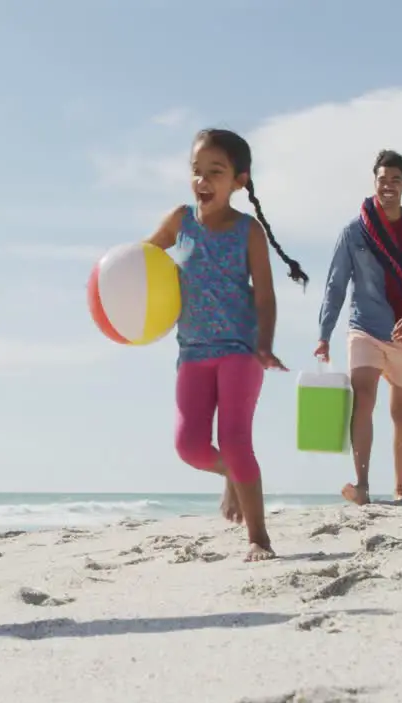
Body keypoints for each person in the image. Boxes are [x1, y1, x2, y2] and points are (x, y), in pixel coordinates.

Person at [143, 128, 307, 562]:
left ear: (238, 180)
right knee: (190, 447)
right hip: (192, 351)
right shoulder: (180, 222)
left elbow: (266, 296)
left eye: (215, 172)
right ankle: (233, 477)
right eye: (197, 171)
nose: (203, 181)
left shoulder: (247, 231)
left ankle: (259, 538)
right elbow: (144, 259)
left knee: (235, 440)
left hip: (240, 347)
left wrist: (265, 344)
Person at [316, 150, 402, 505]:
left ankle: (400, 488)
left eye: (395, 180)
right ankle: (362, 484)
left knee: (401, 412)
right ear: (374, 181)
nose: (388, 186)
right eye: (382, 179)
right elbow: (335, 286)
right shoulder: (353, 232)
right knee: (363, 400)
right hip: (364, 327)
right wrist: (324, 334)